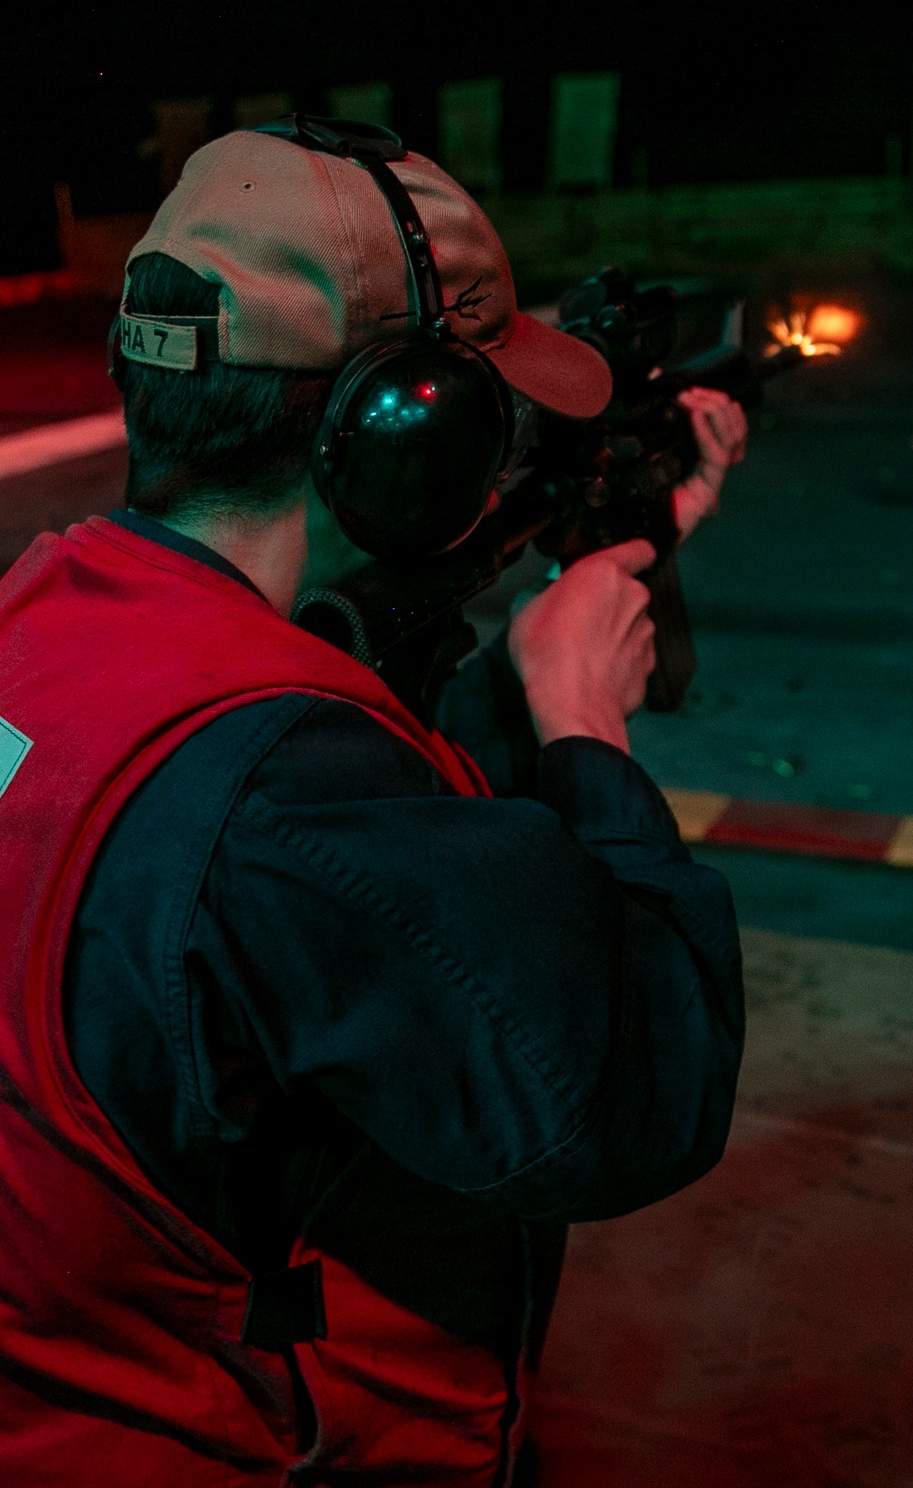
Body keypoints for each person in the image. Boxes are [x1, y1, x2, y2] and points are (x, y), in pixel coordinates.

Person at [0, 116, 747, 1487]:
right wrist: (583, 718)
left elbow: (263, 864)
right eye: (485, 416)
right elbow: (635, 1094)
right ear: (411, 431)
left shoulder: (42, 627)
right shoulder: (294, 801)